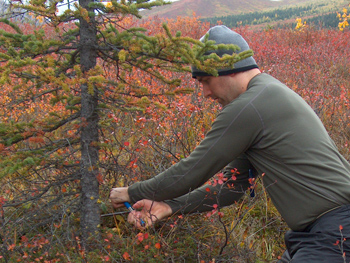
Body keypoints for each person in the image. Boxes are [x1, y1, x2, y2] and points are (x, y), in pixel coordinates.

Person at [109, 25, 350, 262]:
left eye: (205, 80)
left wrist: (131, 192)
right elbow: (232, 186)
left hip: (336, 231)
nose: (204, 93)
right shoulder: (266, 97)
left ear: (230, 67)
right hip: (319, 233)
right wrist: (169, 207)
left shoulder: (250, 106)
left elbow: (192, 171)